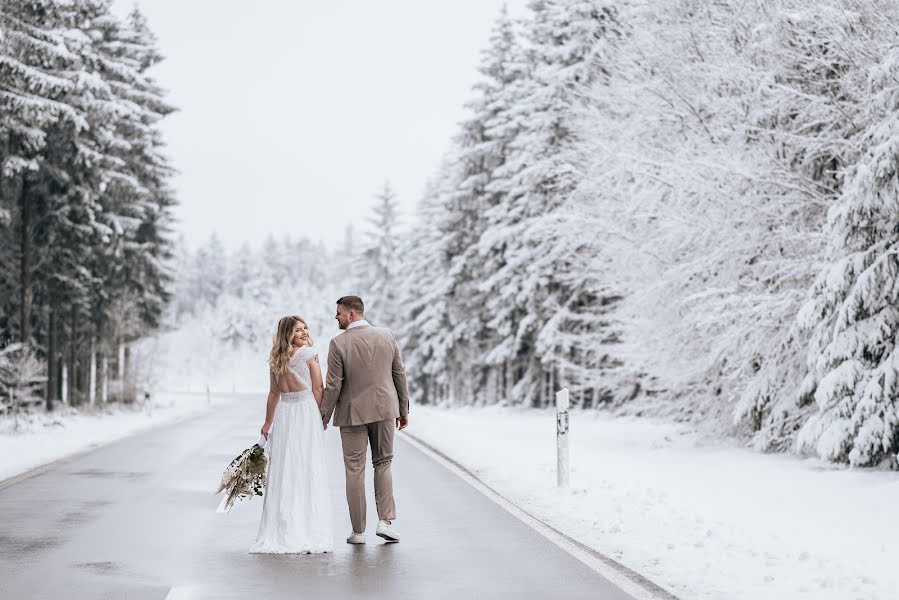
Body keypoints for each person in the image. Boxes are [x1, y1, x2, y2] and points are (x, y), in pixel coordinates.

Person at [320, 296, 410, 544]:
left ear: (351, 314)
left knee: (354, 470)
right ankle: (385, 521)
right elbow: (398, 373)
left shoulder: (338, 344)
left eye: (338, 313)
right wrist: (403, 409)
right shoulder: (387, 335)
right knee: (383, 462)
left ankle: (358, 532)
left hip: (352, 414)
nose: (336, 317)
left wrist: (322, 416)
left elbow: (333, 385)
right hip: (384, 409)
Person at [250, 316, 333, 554]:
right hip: (304, 412)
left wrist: (268, 422)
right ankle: (305, 531)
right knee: (306, 467)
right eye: (299, 330)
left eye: (306, 328)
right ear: (288, 333)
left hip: (285, 413)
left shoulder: (275, 359)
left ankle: (283, 529)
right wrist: (319, 416)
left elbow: (273, 394)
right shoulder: (309, 355)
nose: (305, 332)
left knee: (285, 468)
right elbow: (318, 388)